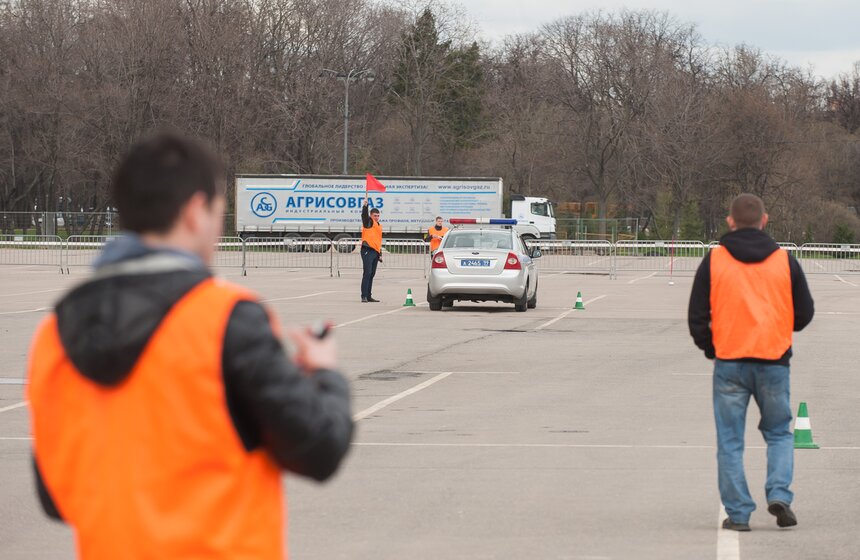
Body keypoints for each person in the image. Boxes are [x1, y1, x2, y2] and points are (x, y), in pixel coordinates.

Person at [27, 133, 354, 559]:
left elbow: (55, 497)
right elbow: (318, 448)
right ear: (196, 212)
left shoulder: (53, 336)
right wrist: (325, 374)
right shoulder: (227, 318)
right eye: (220, 210)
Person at [688, 193, 814, 532]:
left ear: (730, 221)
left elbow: (697, 316)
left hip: (730, 361)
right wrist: (780, 330)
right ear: (765, 220)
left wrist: (711, 347)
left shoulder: (714, 261)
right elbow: (804, 313)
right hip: (773, 360)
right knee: (778, 433)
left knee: (730, 440)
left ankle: (740, 513)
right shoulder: (784, 260)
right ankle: (779, 494)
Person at [360, 196, 383, 302]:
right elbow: (364, 216)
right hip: (367, 250)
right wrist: (365, 206)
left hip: (375, 251)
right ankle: (363, 295)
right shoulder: (368, 222)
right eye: (375, 216)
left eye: (378, 216)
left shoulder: (379, 225)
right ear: (371, 215)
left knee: (372, 274)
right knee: (367, 273)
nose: (376, 217)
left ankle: (369, 295)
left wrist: (380, 254)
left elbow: (378, 240)